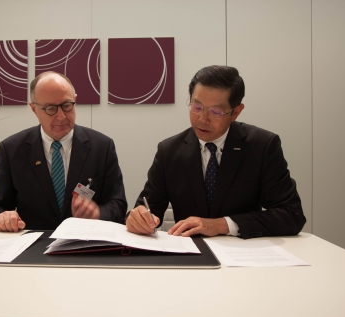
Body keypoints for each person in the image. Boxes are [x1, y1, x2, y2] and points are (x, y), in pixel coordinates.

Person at [126, 65, 306, 239]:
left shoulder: (262, 146)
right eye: (197, 107)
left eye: (216, 111)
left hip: (244, 256)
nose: (203, 119)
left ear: (236, 112)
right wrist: (137, 219)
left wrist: (221, 225)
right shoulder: (169, 151)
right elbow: (146, 209)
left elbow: (291, 215)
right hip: (191, 254)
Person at [0, 72, 127, 232]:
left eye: (67, 105)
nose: (61, 116)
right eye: (51, 108)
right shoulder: (12, 150)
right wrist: (1, 218)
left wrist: (98, 214)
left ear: (75, 100)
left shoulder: (102, 147)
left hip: (85, 246)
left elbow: (118, 206)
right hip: (33, 251)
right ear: (34, 109)